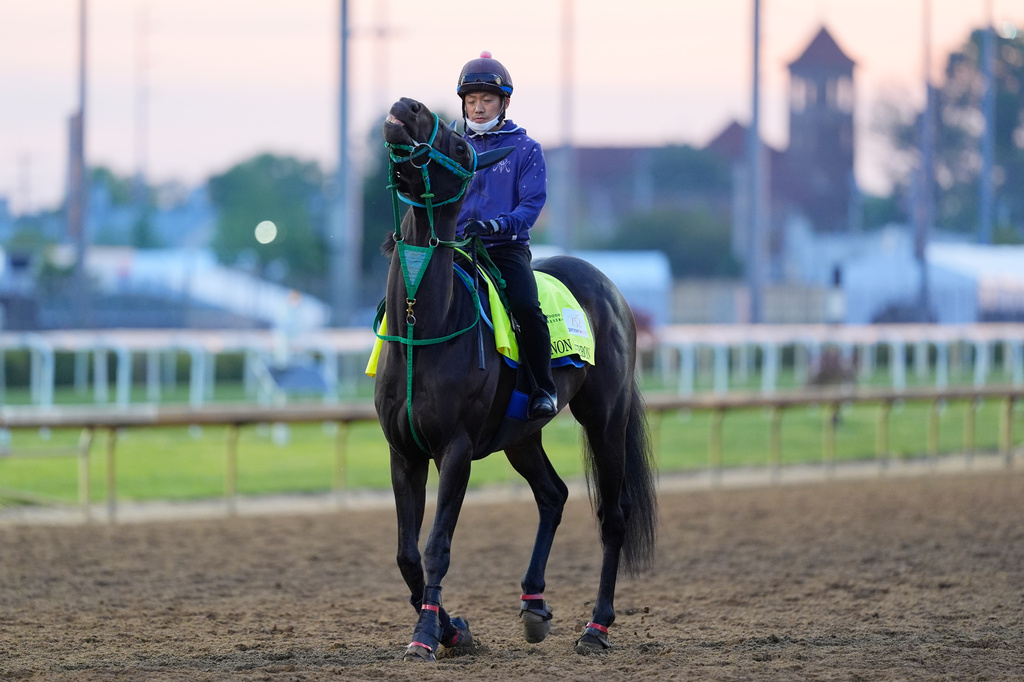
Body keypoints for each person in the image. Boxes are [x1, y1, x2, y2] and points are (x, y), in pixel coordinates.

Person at [455, 51, 557, 420]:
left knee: (527, 308)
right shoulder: (450, 148)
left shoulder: (526, 150)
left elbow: (531, 206)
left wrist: (498, 225)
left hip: (505, 250)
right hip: (455, 249)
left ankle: (543, 387)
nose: (478, 108)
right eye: (471, 101)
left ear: (504, 103)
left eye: (486, 100)